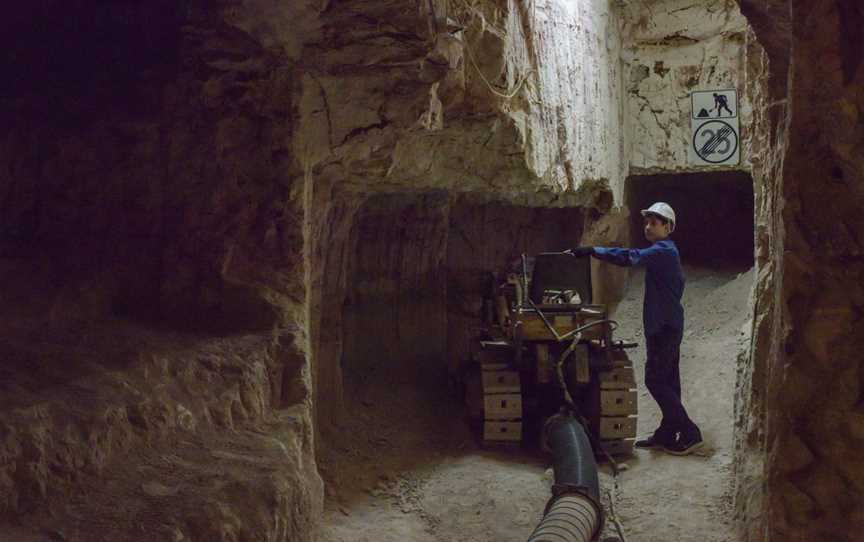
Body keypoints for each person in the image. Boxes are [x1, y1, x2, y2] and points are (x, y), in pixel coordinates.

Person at [565, 202, 703, 455]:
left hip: (664, 326)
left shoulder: (664, 251)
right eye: (647, 222)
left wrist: (593, 250)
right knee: (669, 381)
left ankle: (690, 432)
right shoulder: (664, 251)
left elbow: (629, 257)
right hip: (665, 324)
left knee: (655, 379)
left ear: (668, 227)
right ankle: (667, 433)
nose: (648, 227)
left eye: (655, 223)